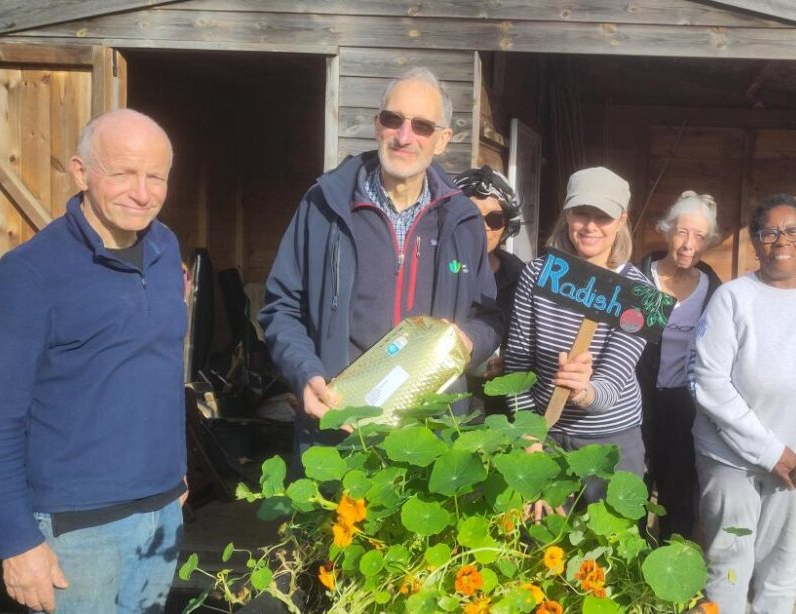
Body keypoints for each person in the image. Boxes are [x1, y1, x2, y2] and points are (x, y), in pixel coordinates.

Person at [0, 109, 187, 613]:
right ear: (80, 172)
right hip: (76, 532)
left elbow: (160, 369)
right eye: (122, 173)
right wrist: (15, 540)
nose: (141, 193)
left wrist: (177, 473)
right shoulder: (31, 274)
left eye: (156, 177)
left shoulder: (165, 249)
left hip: (162, 513)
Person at [259, 67, 502, 463]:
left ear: (442, 140)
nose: (404, 136)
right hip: (338, 428)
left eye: (422, 126)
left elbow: (488, 315)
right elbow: (281, 307)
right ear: (377, 125)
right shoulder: (324, 205)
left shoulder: (463, 221)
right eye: (393, 119)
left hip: (431, 439)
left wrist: (471, 340)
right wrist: (305, 373)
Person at [690, 194, 796, 613]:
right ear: (755, 242)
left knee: (781, 567)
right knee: (729, 565)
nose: (782, 241)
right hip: (731, 460)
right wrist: (770, 452)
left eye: (793, 231)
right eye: (770, 233)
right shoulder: (733, 298)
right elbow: (709, 382)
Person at [503, 167, 649, 508]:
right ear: (567, 214)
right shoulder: (537, 275)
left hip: (611, 440)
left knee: (609, 535)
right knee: (542, 535)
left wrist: (584, 391)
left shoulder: (639, 294)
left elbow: (611, 385)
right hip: (544, 434)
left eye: (603, 216)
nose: (590, 226)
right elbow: (517, 365)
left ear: (622, 220)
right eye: (581, 213)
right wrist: (530, 438)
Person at [635, 191, 724, 542]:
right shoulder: (639, 279)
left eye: (699, 236)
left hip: (685, 406)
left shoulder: (714, 291)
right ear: (667, 230)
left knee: (680, 497)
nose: (689, 244)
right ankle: (627, 566)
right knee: (633, 491)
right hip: (636, 401)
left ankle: (671, 567)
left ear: (709, 242)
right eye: (682, 232)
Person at [455, 165, 525, 414]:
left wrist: (512, 362)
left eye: (494, 219)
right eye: (470, 216)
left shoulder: (524, 279)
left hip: (504, 408)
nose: (482, 226)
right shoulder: (436, 273)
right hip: (445, 403)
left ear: (506, 226)